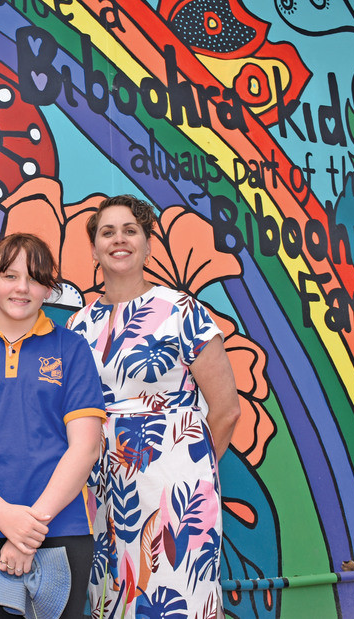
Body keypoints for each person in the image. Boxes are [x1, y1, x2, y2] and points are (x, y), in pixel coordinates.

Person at [68, 195, 240, 618]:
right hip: (105, 494)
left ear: (148, 245)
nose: (119, 239)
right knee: (115, 600)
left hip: (177, 490)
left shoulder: (183, 311)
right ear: (93, 249)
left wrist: (187, 471)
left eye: (131, 230)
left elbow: (227, 409)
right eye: (107, 232)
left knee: (177, 599)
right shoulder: (78, 325)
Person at [0, 233, 105, 619]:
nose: (22, 287)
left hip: (60, 525)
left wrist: (28, 530)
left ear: (49, 288)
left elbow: (85, 447)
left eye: (34, 277)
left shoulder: (72, 348)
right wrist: (6, 519)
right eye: (9, 275)